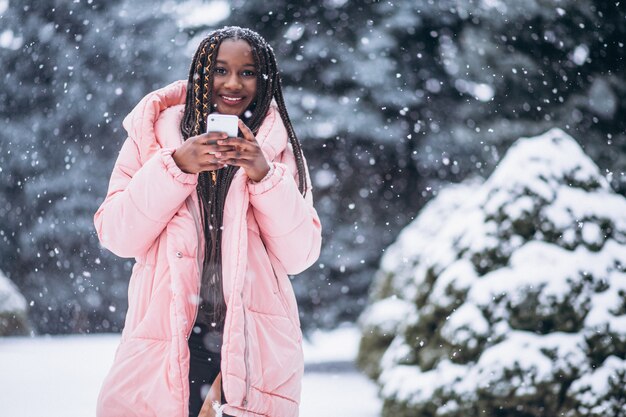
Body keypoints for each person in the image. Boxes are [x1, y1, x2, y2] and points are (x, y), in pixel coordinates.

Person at [93, 26, 322, 417]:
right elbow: (117, 235)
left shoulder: (279, 149)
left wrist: (263, 176)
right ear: (200, 73)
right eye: (220, 70)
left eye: (247, 72)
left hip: (254, 348)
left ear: (264, 79)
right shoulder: (152, 137)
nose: (233, 83)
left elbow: (301, 255)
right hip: (166, 341)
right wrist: (175, 167)